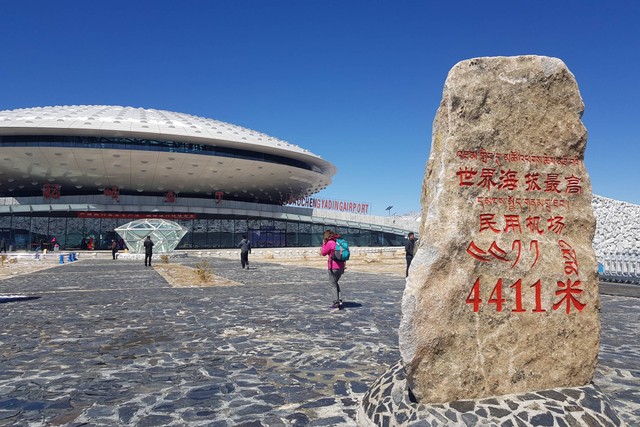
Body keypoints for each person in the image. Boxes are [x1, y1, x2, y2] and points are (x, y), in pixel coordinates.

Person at [321, 229, 346, 310]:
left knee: (333, 285)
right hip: (341, 266)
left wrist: (324, 244)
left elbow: (323, 253)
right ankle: (340, 301)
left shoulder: (329, 243)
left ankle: (336, 302)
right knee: (335, 283)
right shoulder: (338, 242)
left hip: (333, 267)